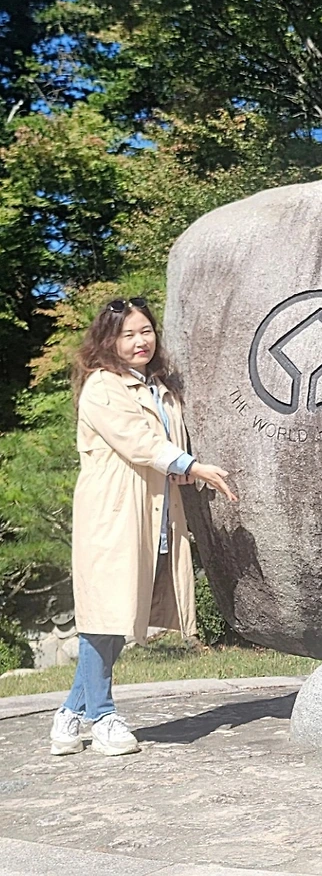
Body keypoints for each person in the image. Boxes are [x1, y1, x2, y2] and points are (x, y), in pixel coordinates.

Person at [48, 297, 237, 758]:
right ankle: (102, 716)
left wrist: (182, 469)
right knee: (105, 616)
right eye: (128, 334)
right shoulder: (103, 385)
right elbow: (138, 442)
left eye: (145, 331)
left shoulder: (159, 388)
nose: (140, 341)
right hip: (114, 513)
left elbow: (166, 443)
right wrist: (192, 466)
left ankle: (70, 713)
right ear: (108, 340)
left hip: (155, 512)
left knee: (118, 616)